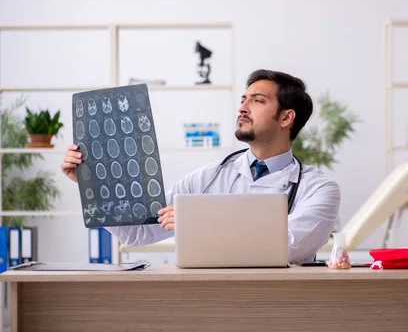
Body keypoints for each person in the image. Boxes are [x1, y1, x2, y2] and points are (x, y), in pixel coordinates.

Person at [60, 69, 341, 264]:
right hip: (213, 301)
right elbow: (139, 231)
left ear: (286, 117)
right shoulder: (209, 176)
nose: (242, 107)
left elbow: (289, 246)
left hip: (282, 307)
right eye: (243, 99)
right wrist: (92, 184)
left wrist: (198, 224)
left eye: (257, 100)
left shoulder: (318, 189)